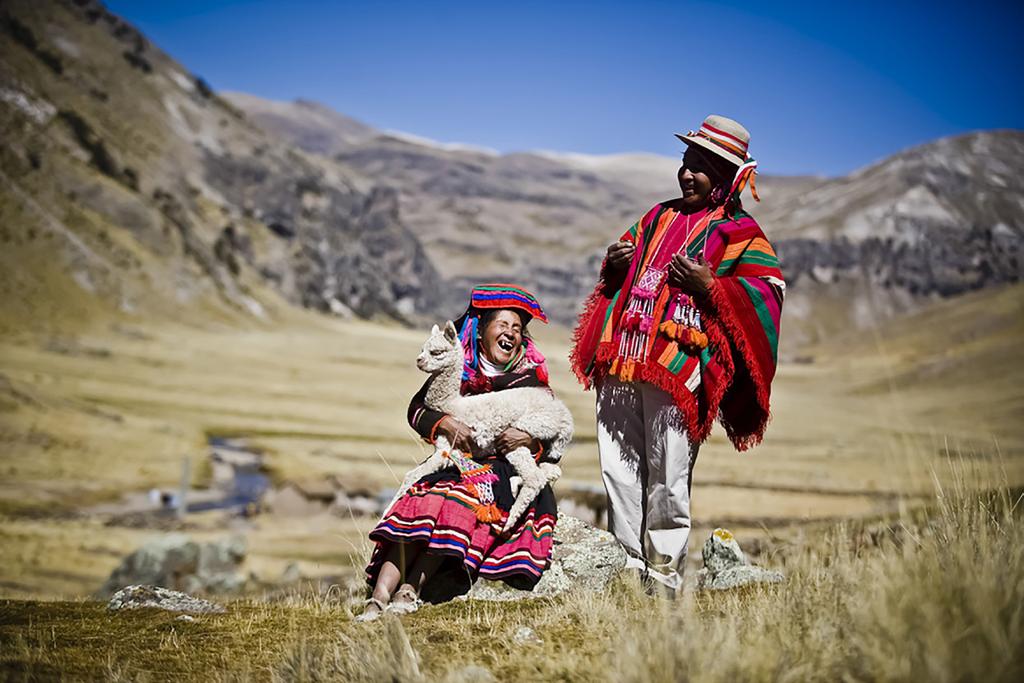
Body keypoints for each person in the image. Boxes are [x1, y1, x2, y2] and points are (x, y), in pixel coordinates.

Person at [569, 115, 785, 595]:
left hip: (679, 368)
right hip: (624, 357)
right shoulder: (656, 216)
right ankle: (625, 573)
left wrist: (712, 286)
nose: (688, 175)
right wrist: (614, 261)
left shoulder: (740, 232)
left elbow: (768, 292)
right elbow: (620, 258)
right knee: (618, 469)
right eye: (686, 163)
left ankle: (664, 579)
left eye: (701, 167)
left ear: (727, 176)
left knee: (668, 473)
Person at [359, 284, 559, 620]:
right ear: (481, 332)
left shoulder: (528, 380)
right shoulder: (458, 371)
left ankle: (411, 590)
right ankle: (378, 597)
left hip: (500, 471)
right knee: (423, 496)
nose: (510, 334)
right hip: (454, 460)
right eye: (502, 326)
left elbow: (549, 437)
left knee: (456, 500)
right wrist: (447, 424)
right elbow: (418, 410)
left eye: (517, 329)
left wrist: (522, 437)